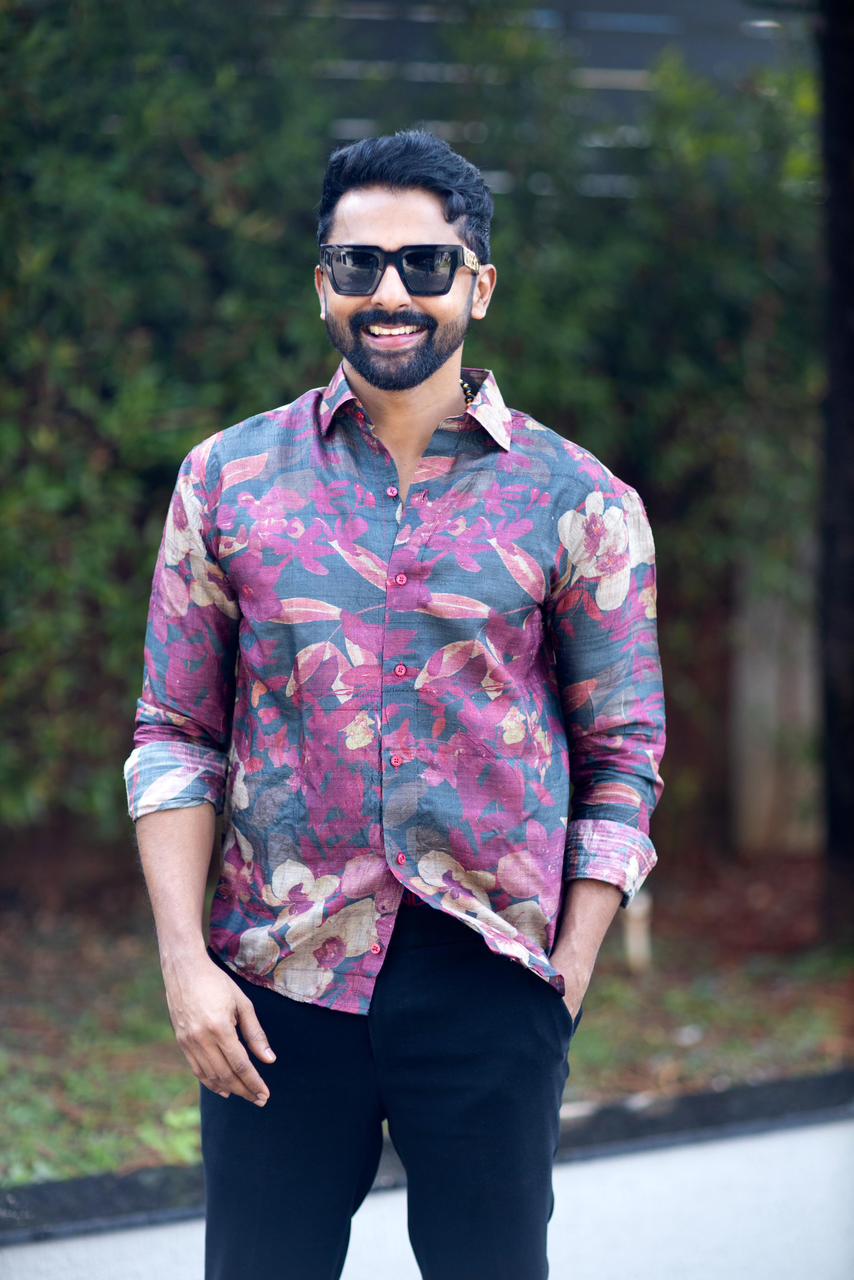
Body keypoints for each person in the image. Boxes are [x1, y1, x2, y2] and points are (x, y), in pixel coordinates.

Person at [124, 128, 666, 1280]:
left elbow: (622, 755)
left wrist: (561, 977)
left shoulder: (577, 499)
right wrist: (183, 965)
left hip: (488, 981)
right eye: (357, 263)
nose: (389, 291)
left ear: (477, 285)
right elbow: (174, 733)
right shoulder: (226, 479)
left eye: (423, 263)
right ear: (321, 281)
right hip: (274, 981)